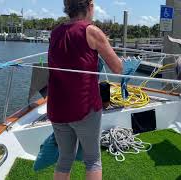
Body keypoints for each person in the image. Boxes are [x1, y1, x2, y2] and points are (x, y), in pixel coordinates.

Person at [47, 0, 123, 180]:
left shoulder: (55, 32)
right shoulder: (92, 31)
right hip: (84, 107)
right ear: (89, 6)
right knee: (93, 159)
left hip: (57, 107)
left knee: (65, 158)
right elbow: (117, 68)